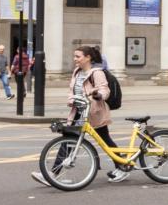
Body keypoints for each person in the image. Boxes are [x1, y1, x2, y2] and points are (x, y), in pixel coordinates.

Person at [35, 45, 127, 185]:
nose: (75, 59)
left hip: (94, 111)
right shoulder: (77, 72)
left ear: (88, 57)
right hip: (79, 112)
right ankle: (53, 174)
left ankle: (123, 166)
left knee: (105, 141)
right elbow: (73, 90)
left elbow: (104, 90)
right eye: (75, 56)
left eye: (78, 56)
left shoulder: (97, 73)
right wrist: (71, 100)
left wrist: (98, 95)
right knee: (68, 140)